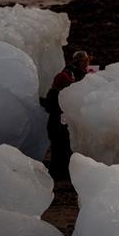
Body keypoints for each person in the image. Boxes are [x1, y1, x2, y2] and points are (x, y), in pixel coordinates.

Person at [42, 50, 92, 182]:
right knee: (62, 148)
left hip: (55, 124)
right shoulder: (70, 79)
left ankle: (59, 172)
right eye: (85, 61)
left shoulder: (57, 89)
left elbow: (48, 105)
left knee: (59, 149)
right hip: (60, 124)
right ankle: (61, 173)